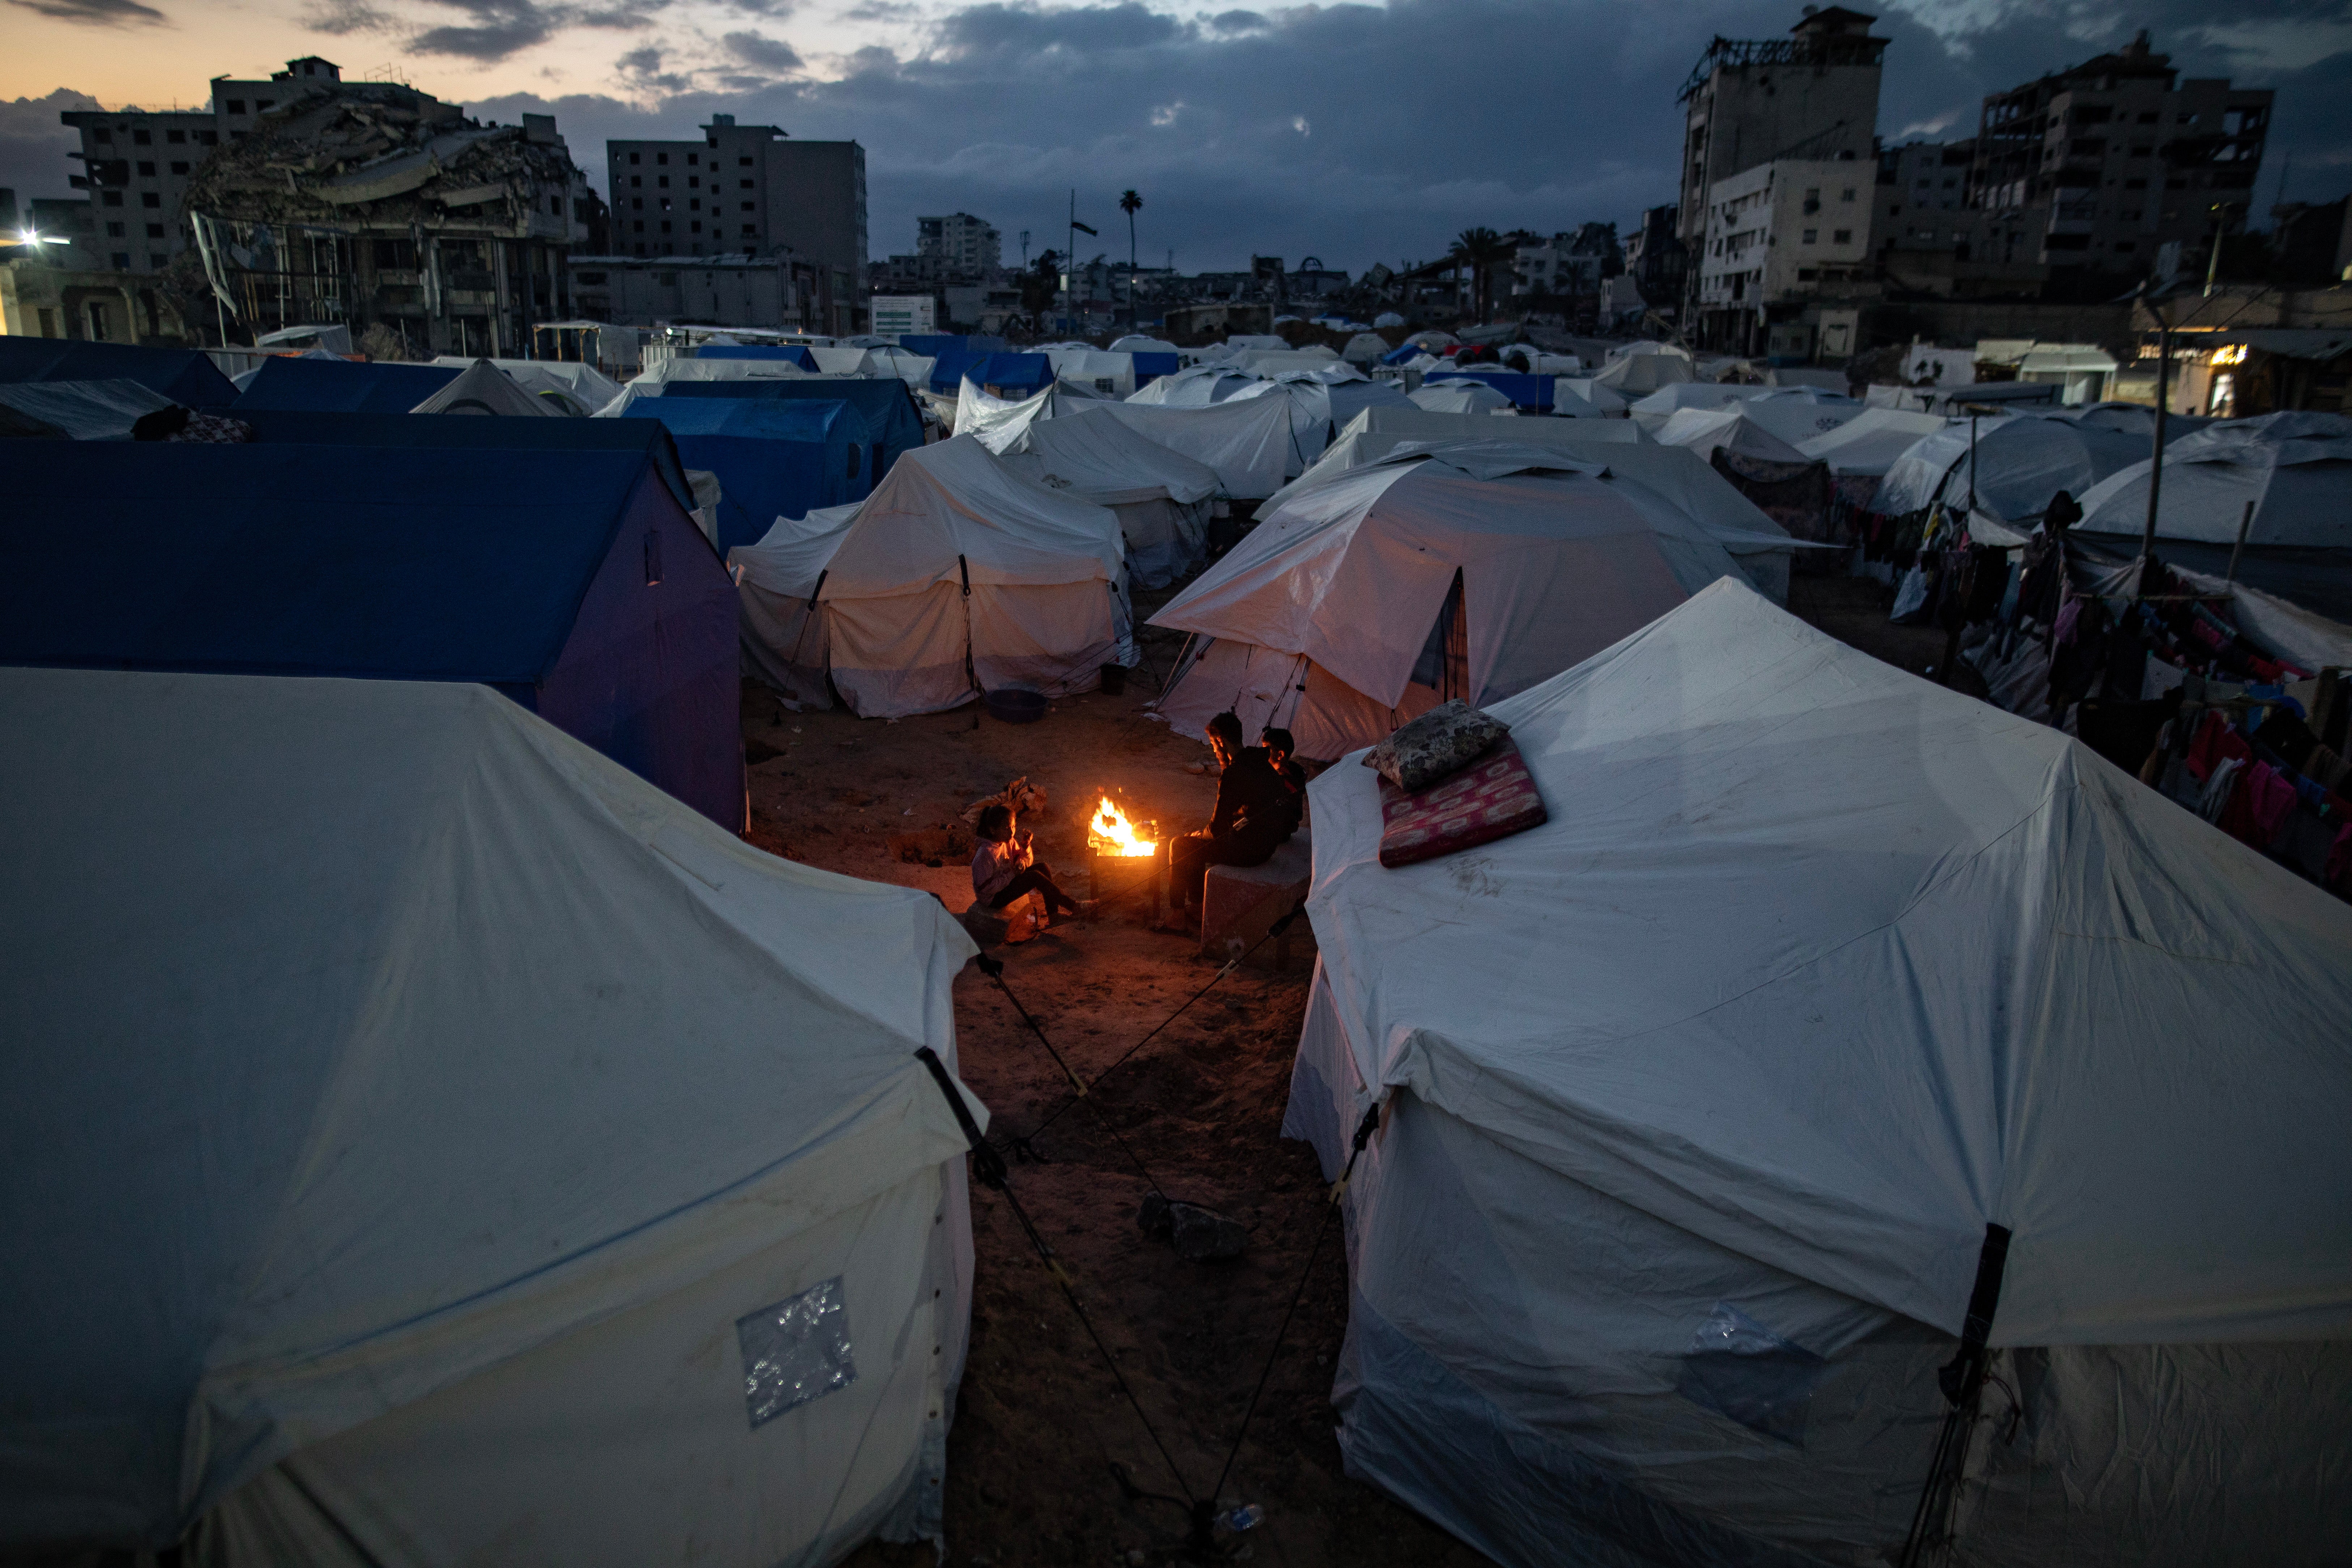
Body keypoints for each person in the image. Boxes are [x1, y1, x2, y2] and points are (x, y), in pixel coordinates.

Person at [1164, 711, 1294, 926]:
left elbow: (1216, 830)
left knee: (1181, 845)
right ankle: (1197, 907)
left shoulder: (1234, 773)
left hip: (1251, 851)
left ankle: (1176, 917)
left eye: (1214, 746)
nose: (1215, 752)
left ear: (1220, 741)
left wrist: (1200, 835)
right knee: (1198, 843)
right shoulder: (1261, 763)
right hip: (1267, 844)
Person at [971, 803, 1081, 922]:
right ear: (993, 830)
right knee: (1034, 877)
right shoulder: (986, 854)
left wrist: (1024, 851)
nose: (1012, 832)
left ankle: (1053, 915)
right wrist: (1012, 875)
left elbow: (1024, 861)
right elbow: (986, 888)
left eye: (1013, 827)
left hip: (1007, 883)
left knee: (1042, 868)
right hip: (993, 898)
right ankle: (1073, 906)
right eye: (1007, 828)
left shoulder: (1008, 842)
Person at [1261, 727, 1309, 840]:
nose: (1262, 754)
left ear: (1280, 755)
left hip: (1281, 830)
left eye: (1265, 750)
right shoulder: (1291, 772)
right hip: (1286, 828)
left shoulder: (1285, 780)